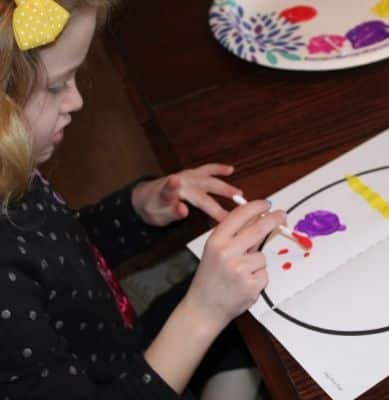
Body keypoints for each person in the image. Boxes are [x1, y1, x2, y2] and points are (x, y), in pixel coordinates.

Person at [0, 0, 286, 399]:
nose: (77, 101)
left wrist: (137, 209)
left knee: (253, 301)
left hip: (115, 343)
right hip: (117, 384)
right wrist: (203, 314)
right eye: (56, 86)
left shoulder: (10, 165)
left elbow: (59, 252)